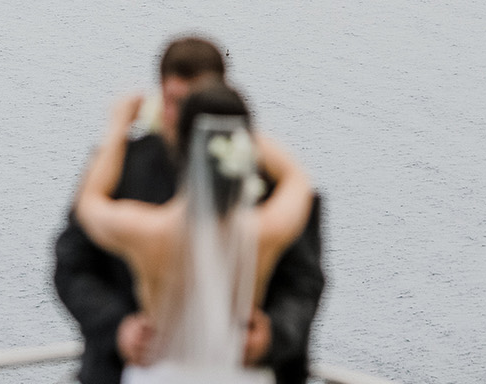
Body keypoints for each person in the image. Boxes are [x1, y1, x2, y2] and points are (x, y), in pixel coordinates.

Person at [53, 38, 324, 383]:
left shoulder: (137, 218)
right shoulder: (270, 217)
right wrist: (117, 327)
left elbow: (304, 281)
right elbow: (72, 266)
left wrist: (274, 335)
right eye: (175, 101)